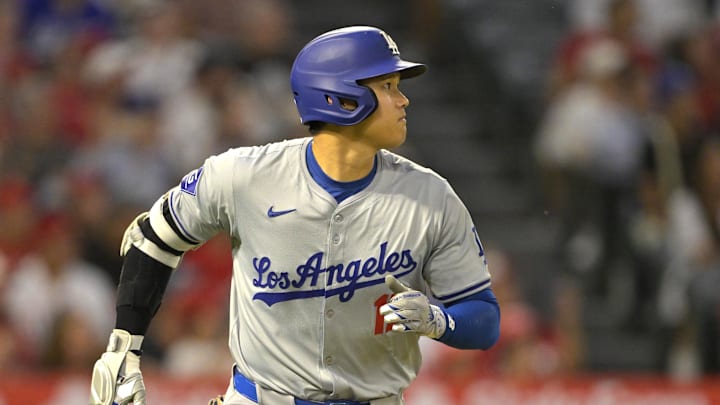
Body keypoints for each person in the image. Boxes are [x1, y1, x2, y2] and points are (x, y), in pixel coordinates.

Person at [89, 26, 500, 405]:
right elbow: (153, 239)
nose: (403, 99)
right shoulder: (243, 176)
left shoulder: (432, 196)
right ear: (341, 98)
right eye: (388, 85)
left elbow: (484, 317)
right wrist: (124, 348)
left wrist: (439, 321)